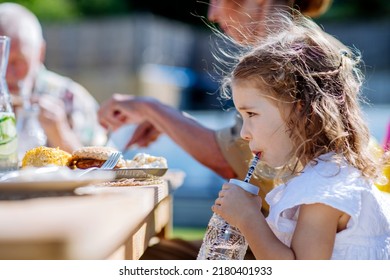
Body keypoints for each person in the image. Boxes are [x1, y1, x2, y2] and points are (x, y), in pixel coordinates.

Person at [98, 0, 333, 214]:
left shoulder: (293, 59)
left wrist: (151, 109)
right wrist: (162, 118)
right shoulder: (302, 51)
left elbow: (232, 160)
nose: (212, 14)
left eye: (217, 0)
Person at [212, 11, 390, 259]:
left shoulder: (327, 185)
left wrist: (248, 219)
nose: (244, 133)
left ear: (300, 109)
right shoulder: (322, 174)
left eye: (251, 114)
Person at [0, 2, 106, 154]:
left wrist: (61, 135)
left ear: (40, 52)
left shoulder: (71, 98)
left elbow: (109, 167)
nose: (6, 73)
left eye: (18, 62)